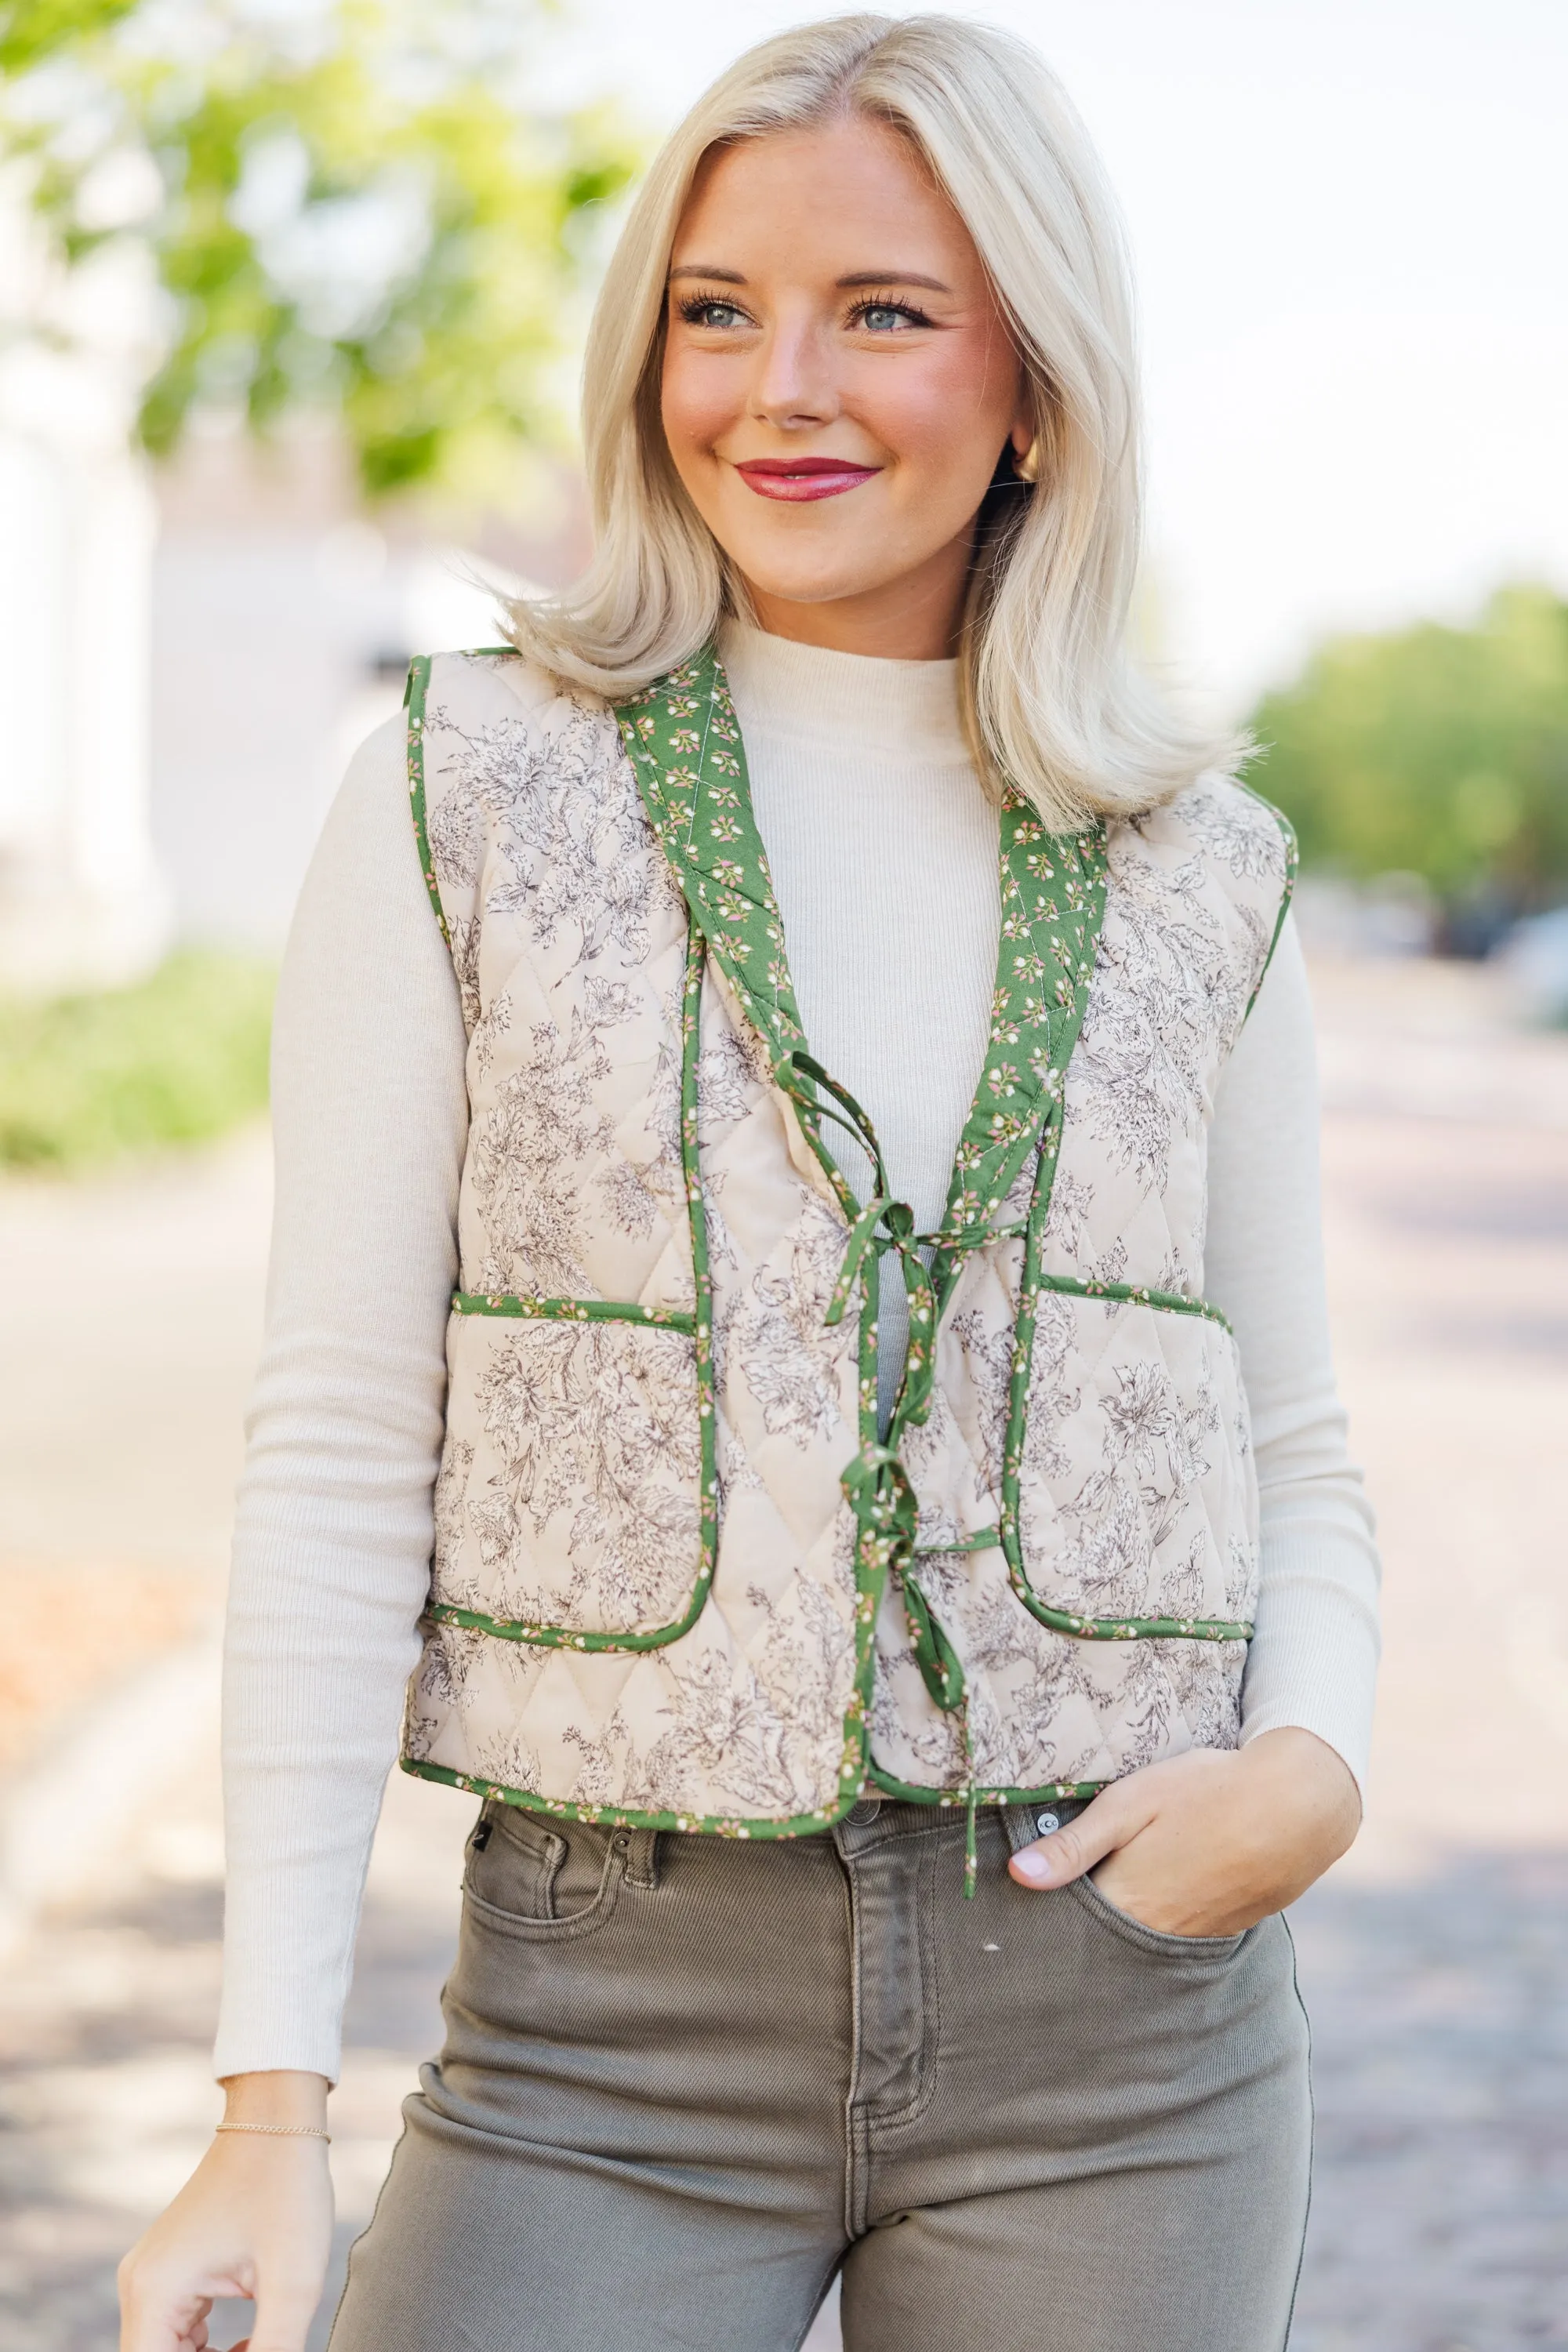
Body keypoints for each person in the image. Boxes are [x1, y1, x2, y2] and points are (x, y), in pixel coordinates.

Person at [119, 16, 1380, 2350]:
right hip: (611, 2029)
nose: (776, 386)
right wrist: (262, 2105)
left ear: (1038, 387)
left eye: (880, 313)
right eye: (718, 310)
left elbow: (1293, 1442)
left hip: (1120, 2035)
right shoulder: (463, 789)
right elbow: (328, 1453)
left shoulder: (1213, 874)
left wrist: (1310, 1769)